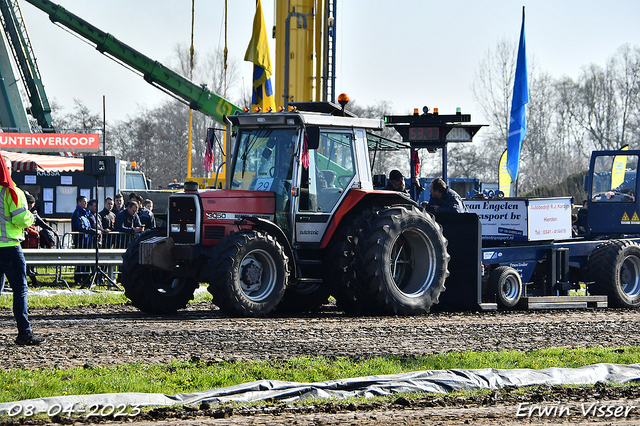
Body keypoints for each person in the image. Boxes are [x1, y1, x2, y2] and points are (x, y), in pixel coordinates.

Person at [0, 155, 45, 345]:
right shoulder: (12, 191)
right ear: (7, 169)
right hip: (10, 247)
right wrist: (30, 217)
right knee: (20, 289)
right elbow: (20, 219)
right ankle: (24, 333)